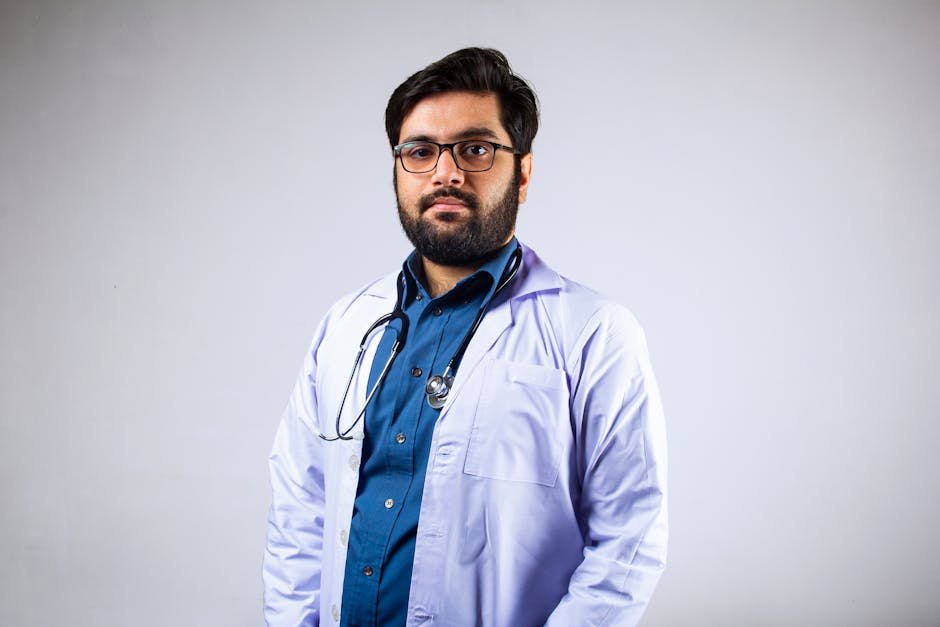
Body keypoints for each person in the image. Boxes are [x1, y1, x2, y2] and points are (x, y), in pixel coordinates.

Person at [263, 47, 668, 627]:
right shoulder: (346, 324)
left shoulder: (593, 334)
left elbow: (630, 537)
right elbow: (299, 509)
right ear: (398, 170)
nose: (445, 173)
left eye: (475, 149)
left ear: (522, 173)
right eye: (420, 152)